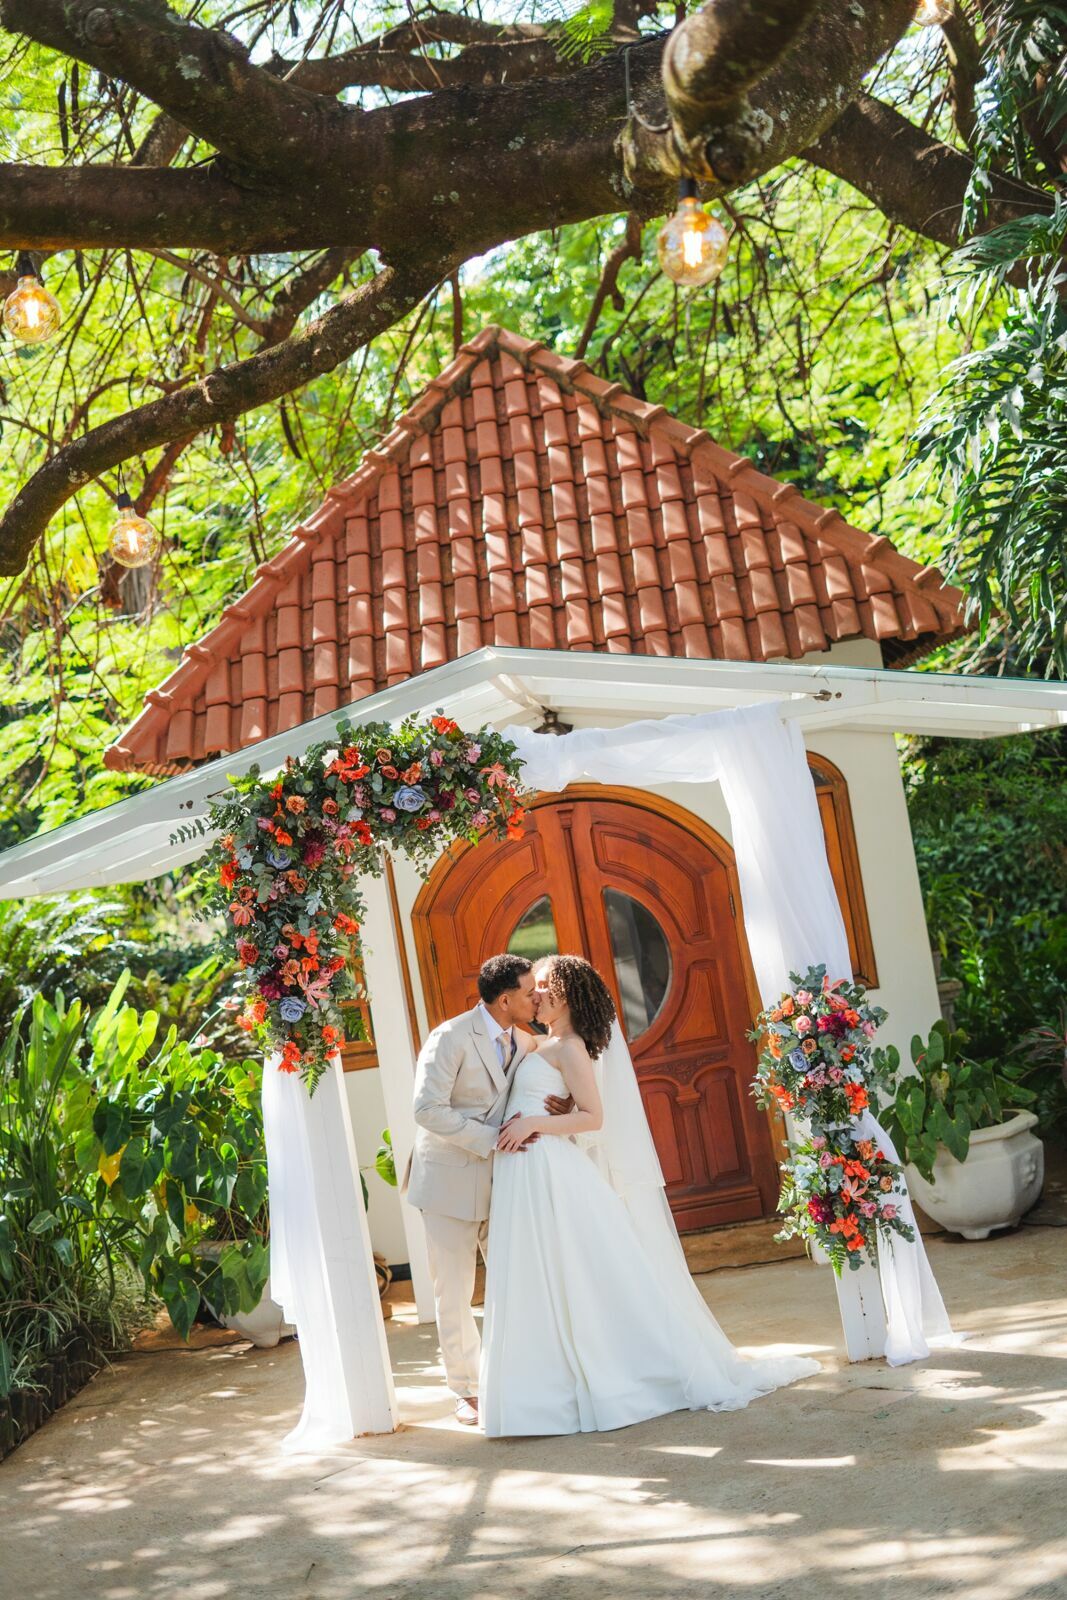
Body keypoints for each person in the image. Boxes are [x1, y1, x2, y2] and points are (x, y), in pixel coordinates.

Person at [479, 954, 821, 1438]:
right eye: (532, 988)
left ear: (569, 995)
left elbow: (593, 1117)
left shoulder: (571, 1046)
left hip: (546, 1167)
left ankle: (614, 1379)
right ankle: (536, 1392)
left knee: (573, 1276)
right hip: (524, 1172)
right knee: (542, 1276)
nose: (537, 995)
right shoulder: (542, 1042)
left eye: (545, 987)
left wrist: (536, 1122)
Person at [402, 952, 569, 1426]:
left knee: (514, 1278)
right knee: (453, 1290)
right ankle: (465, 1388)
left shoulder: (528, 1039)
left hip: (505, 1181)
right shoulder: (450, 1037)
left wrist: (559, 1106)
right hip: (447, 1180)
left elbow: (536, 1089)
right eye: (528, 991)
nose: (537, 996)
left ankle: (522, 1374)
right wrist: (491, 1139)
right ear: (504, 1000)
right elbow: (426, 1109)